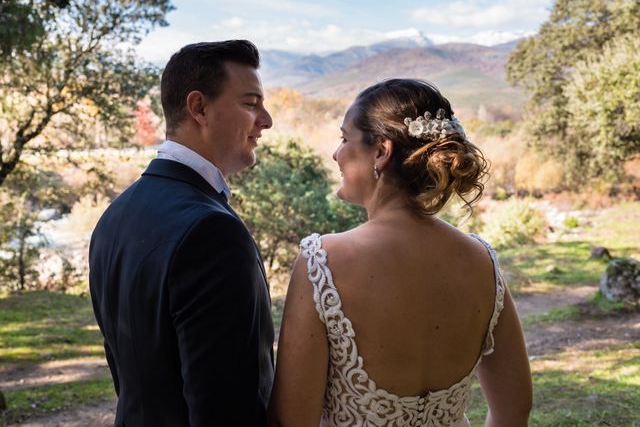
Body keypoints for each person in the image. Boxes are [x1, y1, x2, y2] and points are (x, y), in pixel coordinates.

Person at [270, 79, 532, 426]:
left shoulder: (323, 261)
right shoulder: (481, 260)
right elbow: (514, 409)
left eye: (345, 139)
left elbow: (293, 420)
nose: (336, 153)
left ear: (381, 150)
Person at [89, 40, 275, 427]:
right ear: (199, 108)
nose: (266, 120)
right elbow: (227, 409)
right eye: (250, 103)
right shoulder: (213, 233)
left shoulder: (115, 215)